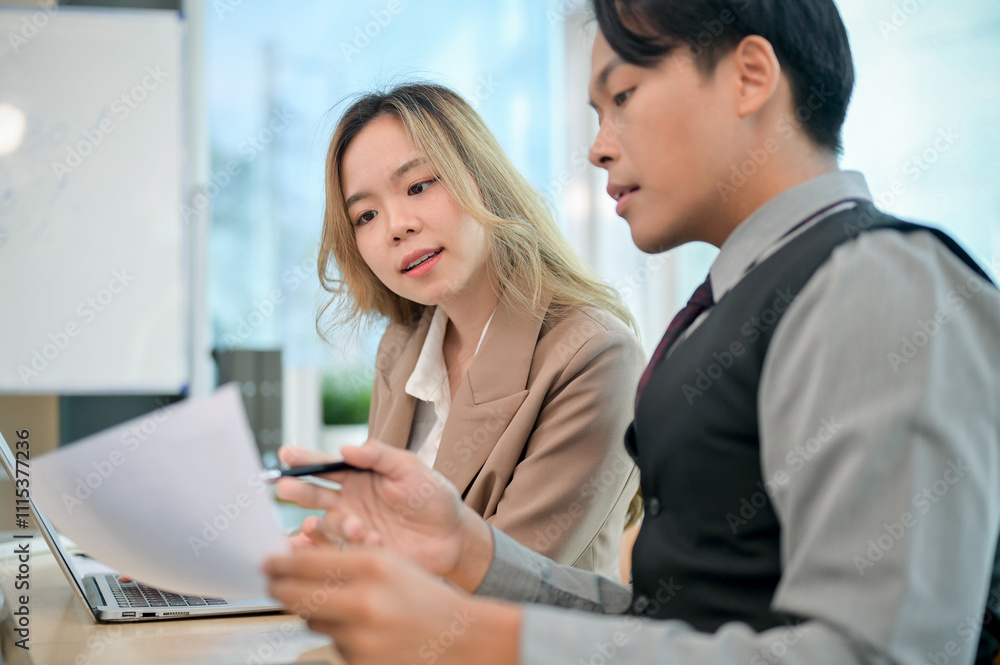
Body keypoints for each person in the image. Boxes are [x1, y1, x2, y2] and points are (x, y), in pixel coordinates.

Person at [264, 2, 1000, 664]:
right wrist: (470, 547)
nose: (598, 147)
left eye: (621, 97)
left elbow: (877, 654)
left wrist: (486, 638)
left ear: (749, 77)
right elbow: (670, 623)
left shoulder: (875, 281)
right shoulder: (729, 307)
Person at [284, 83, 645, 578]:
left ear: (482, 179)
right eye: (365, 215)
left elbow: (508, 580)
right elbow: (379, 544)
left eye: (418, 186)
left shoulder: (594, 356)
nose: (395, 225)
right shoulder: (402, 349)